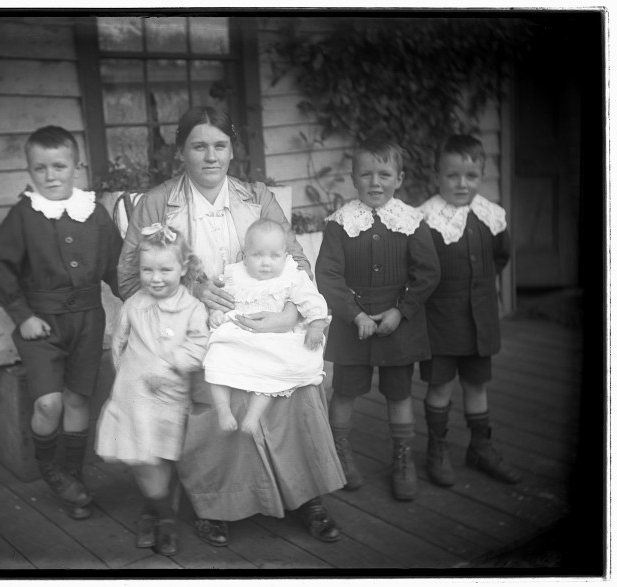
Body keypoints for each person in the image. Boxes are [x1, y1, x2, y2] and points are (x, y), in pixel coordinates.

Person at [118, 106, 346, 546]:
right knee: (216, 389)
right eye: (198, 146)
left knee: (295, 381)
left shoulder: (257, 199)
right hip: (188, 329)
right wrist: (190, 289)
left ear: (231, 150)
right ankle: (216, 501)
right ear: (180, 152)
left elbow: (297, 265)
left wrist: (287, 317)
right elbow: (130, 279)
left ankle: (306, 495)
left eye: (220, 145)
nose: (210, 156)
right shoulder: (157, 204)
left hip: (265, 321)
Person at [0, 125, 123, 519]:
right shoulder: (24, 215)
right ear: (30, 171)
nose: (51, 175)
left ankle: (73, 476)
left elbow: (116, 267)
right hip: (40, 324)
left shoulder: (93, 213)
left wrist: (144, 301)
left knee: (78, 398)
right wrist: (22, 316)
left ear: (76, 167)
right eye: (40, 168)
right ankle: (52, 471)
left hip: (86, 319)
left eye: (59, 166)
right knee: (48, 404)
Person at [315, 136, 440, 501]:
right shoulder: (339, 223)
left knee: (399, 392)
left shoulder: (412, 221)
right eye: (365, 174)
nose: (375, 182)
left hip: (397, 324)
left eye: (384, 174)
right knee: (346, 390)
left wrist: (401, 310)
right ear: (353, 179)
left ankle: (403, 459)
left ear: (399, 179)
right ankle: (339, 454)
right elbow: (328, 275)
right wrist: (354, 314)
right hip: (352, 324)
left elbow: (427, 273)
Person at [95, 225, 209, 556]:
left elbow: (199, 345)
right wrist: (127, 377)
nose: (155, 278)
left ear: (183, 268)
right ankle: (160, 513)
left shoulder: (192, 309)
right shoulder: (134, 304)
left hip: (168, 395)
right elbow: (119, 341)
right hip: (133, 394)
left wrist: (171, 365)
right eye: (147, 270)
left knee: (160, 454)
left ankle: (160, 514)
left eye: (165, 270)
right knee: (140, 455)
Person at [417, 134, 521, 487]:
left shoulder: (490, 216)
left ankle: (481, 447)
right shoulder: (426, 220)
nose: (463, 184)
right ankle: (438, 447)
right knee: (441, 386)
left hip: (480, 320)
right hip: (441, 324)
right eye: (452, 176)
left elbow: (500, 257)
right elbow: (418, 271)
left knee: (477, 384)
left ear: (482, 176)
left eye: (471, 176)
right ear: (437, 176)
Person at [204, 218, 330, 436]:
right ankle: (223, 410)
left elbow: (312, 300)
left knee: (271, 369)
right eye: (257, 255)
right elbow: (222, 300)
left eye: (274, 256)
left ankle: (253, 415)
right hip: (239, 335)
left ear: (285, 255)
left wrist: (316, 325)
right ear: (245, 256)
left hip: (275, 337)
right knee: (217, 357)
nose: (266, 263)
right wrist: (216, 314)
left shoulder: (292, 274)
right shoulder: (235, 274)